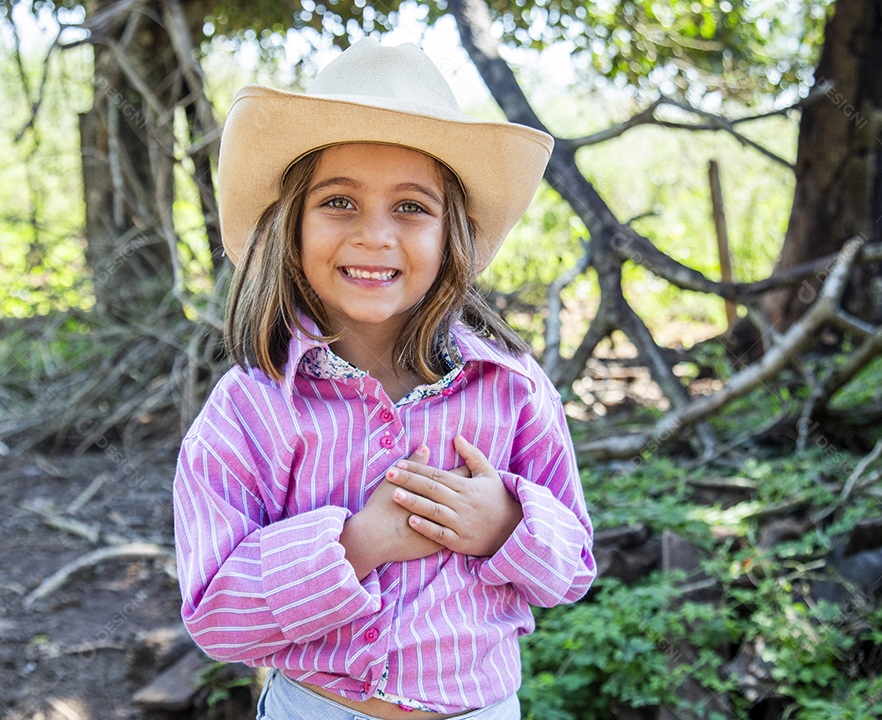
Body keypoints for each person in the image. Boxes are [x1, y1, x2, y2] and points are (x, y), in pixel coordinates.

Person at [173, 38, 595, 720]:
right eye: (339, 202)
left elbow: (572, 568)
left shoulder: (512, 390)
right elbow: (217, 617)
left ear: (450, 233)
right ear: (292, 226)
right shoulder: (251, 410)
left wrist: (506, 523)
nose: (375, 235)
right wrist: (358, 543)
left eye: (410, 207)